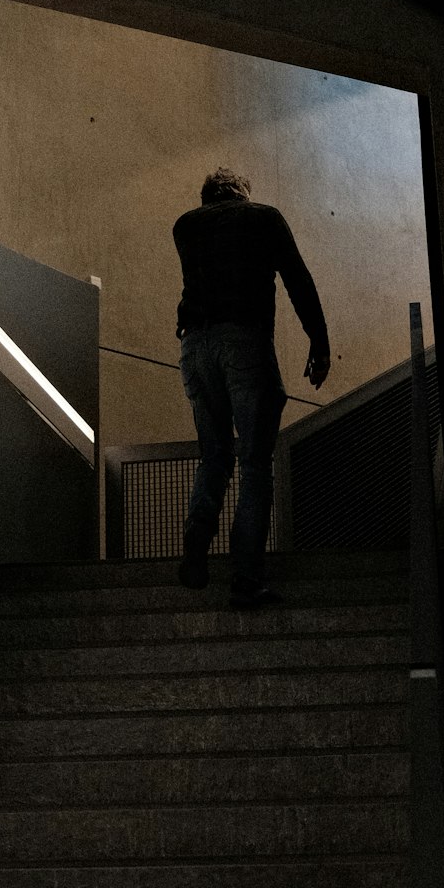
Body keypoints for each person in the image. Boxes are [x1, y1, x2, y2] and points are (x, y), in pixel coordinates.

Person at [173, 166, 330, 608]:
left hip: (195, 348)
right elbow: (299, 279)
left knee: (215, 455)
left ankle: (196, 544)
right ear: (243, 193)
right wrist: (319, 343)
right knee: (255, 464)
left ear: (206, 197)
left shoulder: (185, 227)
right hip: (244, 342)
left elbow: (194, 288)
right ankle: (245, 577)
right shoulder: (264, 218)